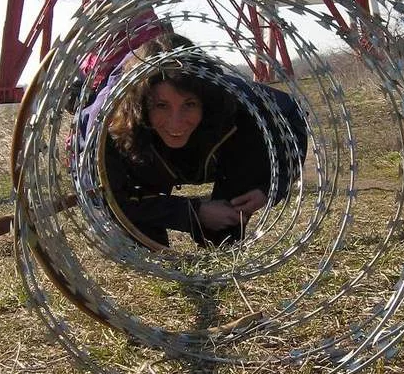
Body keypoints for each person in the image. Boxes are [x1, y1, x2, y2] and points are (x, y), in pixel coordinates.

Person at [80, 33, 307, 248]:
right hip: (142, 157)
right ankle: (151, 253)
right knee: (142, 241)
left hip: (209, 149)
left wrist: (268, 188)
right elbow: (108, 197)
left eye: (189, 104)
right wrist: (192, 212)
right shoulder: (107, 126)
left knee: (249, 137)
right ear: (140, 105)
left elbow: (291, 117)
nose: (176, 123)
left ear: (206, 100)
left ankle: (221, 239)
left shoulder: (236, 101)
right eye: (161, 105)